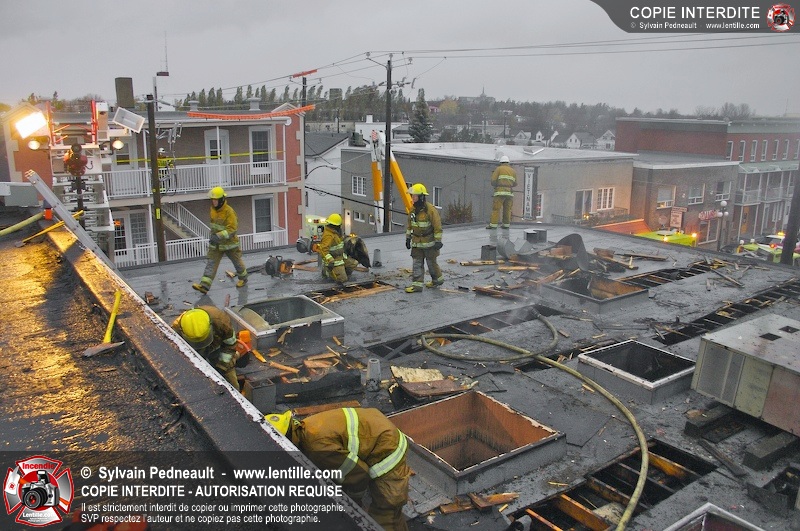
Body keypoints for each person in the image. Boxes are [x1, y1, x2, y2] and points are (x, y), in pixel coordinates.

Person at [267, 408, 410, 531]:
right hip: (375, 429)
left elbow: (359, 474)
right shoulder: (306, 427)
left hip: (387, 448)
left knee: (386, 511)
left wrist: (353, 502)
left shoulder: (317, 447)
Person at [172, 306, 243, 389]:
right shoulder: (175, 330)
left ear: (211, 326)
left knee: (231, 381)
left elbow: (230, 346)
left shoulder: (221, 321)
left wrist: (222, 366)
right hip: (194, 353)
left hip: (218, 349)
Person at [192, 187, 247, 294]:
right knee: (211, 263)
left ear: (221, 200)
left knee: (237, 262)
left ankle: (243, 278)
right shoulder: (213, 210)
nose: (213, 202)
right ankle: (204, 286)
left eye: (215, 200)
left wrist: (218, 236)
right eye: (212, 199)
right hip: (216, 244)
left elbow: (232, 229)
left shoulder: (229, 212)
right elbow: (214, 227)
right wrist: (213, 238)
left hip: (230, 244)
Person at [404, 183, 443, 293]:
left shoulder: (430, 210)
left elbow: (437, 226)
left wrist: (438, 241)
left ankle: (437, 280)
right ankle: (417, 286)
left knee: (431, 263)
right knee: (417, 263)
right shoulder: (412, 210)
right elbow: (410, 226)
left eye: (414, 196)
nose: (412, 198)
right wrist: (408, 238)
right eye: (412, 196)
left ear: (421, 197)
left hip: (429, 243)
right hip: (416, 243)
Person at [318, 213, 359, 284]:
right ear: (336, 225)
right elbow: (323, 250)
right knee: (342, 279)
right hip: (334, 260)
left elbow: (340, 242)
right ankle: (328, 273)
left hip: (340, 257)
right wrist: (330, 260)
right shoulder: (328, 235)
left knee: (354, 263)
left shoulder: (336, 232)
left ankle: (343, 273)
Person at [486, 155, 517, 229]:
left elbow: (493, 181)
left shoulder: (498, 169)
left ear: (501, 162)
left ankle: (493, 225)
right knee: (507, 210)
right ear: (508, 162)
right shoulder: (513, 171)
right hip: (509, 193)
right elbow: (515, 183)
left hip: (499, 192)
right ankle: (506, 225)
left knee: (496, 209)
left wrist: (497, 185)